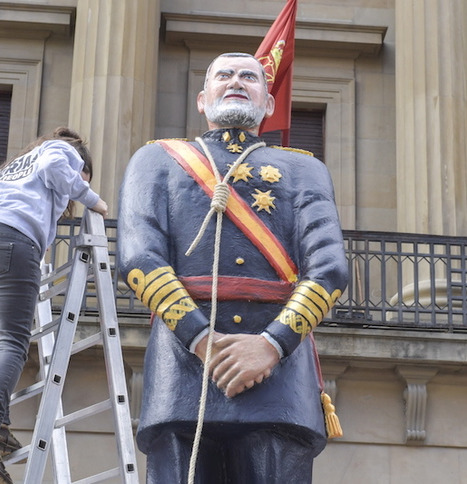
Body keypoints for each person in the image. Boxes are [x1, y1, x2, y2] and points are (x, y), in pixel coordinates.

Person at [117, 53, 349, 483]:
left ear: (269, 103)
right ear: (203, 100)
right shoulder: (156, 161)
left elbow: (330, 268)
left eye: (250, 77)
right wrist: (202, 339)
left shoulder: (305, 169)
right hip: (182, 366)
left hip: (279, 375)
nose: (237, 81)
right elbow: (138, 258)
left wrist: (270, 346)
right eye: (224, 75)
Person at [0, 127, 108, 484]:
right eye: (83, 175)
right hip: (6, 239)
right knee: (12, 341)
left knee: (0, 339)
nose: (76, 183)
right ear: (81, 165)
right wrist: (92, 199)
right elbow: (59, 165)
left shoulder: (17, 167)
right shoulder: (61, 152)